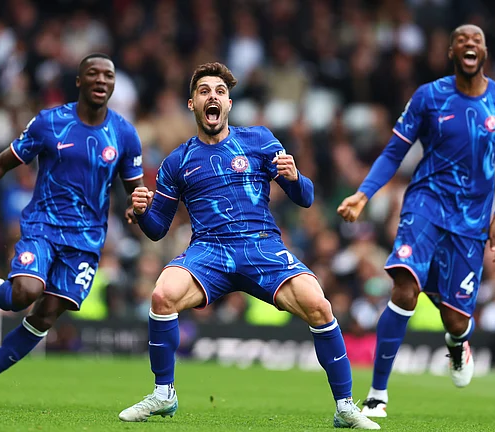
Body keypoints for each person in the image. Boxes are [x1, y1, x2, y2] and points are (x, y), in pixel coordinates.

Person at [118, 62, 379, 430]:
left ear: (229, 102)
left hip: (261, 247)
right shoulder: (177, 161)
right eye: (205, 91)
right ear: (192, 103)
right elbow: (157, 229)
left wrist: (294, 177)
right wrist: (141, 212)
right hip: (209, 250)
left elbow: (305, 198)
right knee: (162, 296)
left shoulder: (259, 139)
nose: (213, 96)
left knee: (320, 305)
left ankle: (345, 407)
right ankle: (164, 394)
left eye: (220, 91)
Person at [0, 53, 144, 408]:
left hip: (87, 242)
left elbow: (135, 188)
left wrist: (137, 207)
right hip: (43, 227)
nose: (102, 80)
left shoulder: (124, 133)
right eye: (93, 73)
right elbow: (2, 163)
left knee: (44, 317)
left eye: (108, 75)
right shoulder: (50, 122)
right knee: (27, 291)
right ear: (79, 81)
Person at [337, 24, 495, 418]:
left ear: (485, 53)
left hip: (471, 220)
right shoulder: (429, 96)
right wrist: (364, 193)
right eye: (462, 41)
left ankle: (458, 344)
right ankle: (377, 394)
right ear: (451, 53)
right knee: (404, 283)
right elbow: (394, 151)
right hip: (425, 202)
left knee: (456, 319)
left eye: (477, 40)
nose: (470, 44)